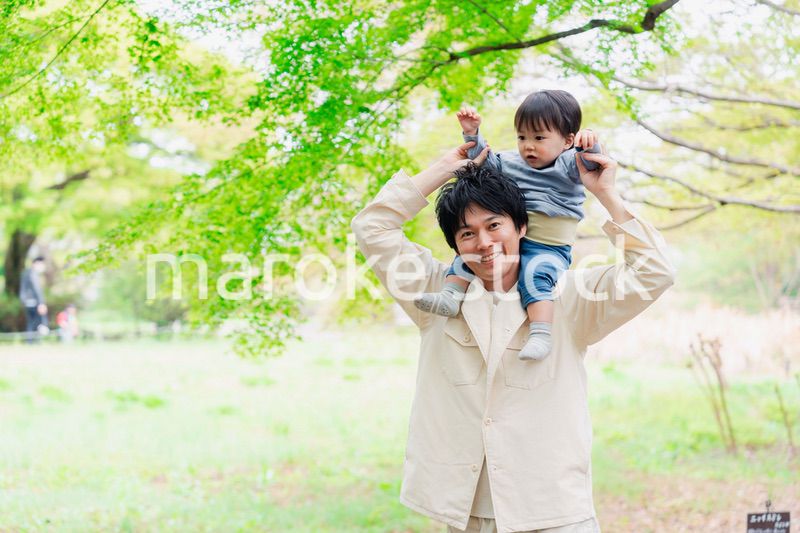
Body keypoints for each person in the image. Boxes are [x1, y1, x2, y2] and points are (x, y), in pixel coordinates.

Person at [351, 141, 674, 533]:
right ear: (455, 245)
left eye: (494, 225)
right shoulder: (434, 293)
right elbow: (372, 227)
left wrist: (606, 192)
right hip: (464, 510)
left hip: (552, 511)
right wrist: (445, 167)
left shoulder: (569, 296)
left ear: (521, 226)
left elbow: (655, 272)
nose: (484, 244)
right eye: (467, 234)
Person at [414, 91, 602, 362]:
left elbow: (592, 161)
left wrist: (591, 142)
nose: (529, 146)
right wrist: (472, 135)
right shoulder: (512, 163)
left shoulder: (569, 164)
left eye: (539, 138)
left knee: (535, 277)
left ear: (567, 140)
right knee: (465, 257)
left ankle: (540, 333)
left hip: (549, 245)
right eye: (522, 137)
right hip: (514, 239)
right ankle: (450, 295)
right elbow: (484, 162)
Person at [19, 256, 49, 342]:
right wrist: (41, 303)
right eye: (41, 264)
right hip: (34, 301)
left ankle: (30, 340)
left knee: (31, 322)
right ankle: (33, 341)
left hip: (27, 302)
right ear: (36, 263)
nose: (42, 266)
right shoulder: (33, 273)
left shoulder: (25, 273)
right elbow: (37, 289)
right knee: (36, 321)